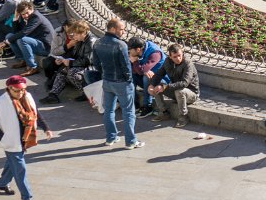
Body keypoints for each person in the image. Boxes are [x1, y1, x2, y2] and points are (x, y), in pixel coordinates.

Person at [0, 75, 52, 200]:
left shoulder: (28, 96)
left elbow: (36, 112)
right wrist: (3, 138)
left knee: (13, 163)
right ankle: (27, 198)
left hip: (24, 139)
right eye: (17, 90)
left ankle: (2, 183)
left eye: (22, 89)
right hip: (11, 141)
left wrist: (46, 128)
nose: (20, 93)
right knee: (20, 169)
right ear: (9, 88)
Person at [92, 18, 143, 149]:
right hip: (122, 83)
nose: (123, 32)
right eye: (121, 29)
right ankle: (131, 141)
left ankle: (111, 138)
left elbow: (96, 64)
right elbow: (126, 66)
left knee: (108, 110)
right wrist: (129, 80)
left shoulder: (97, 43)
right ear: (113, 29)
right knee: (128, 112)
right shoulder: (121, 45)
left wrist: (104, 74)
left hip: (107, 81)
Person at [40, 20, 94, 104]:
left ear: (82, 33)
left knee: (72, 72)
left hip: (91, 68)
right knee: (63, 70)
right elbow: (74, 55)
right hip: (81, 65)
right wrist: (62, 59)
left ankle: (86, 92)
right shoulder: (80, 40)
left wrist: (70, 63)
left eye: (75, 34)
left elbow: (88, 61)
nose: (73, 37)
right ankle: (53, 95)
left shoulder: (90, 42)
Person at [148, 44, 199, 128]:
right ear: (170, 57)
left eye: (179, 55)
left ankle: (183, 117)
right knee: (157, 86)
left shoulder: (188, 63)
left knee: (180, 91)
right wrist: (152, 85)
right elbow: (159, 74)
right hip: (175, 90)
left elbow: (184, 83)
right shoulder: (167, 62)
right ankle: (164, 113)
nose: (178, 58)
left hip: (191, 93)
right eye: (175, 57)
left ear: (182, 53)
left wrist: (165, 87)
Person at [0, 1, 53, 77]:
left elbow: (24, 33)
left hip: (45, 47)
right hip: (35, 41)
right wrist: (15, 18)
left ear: (31, 8)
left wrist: (6, 42)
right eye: (23, 14)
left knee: (22, 40)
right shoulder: (24, 17)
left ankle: (33, 67)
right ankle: (23, 60)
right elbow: (16, 33)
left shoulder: (36, 17)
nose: (25, 15)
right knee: (9, 36)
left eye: (27, 12)